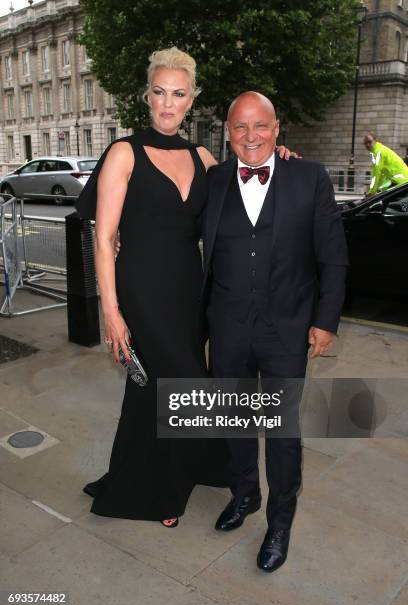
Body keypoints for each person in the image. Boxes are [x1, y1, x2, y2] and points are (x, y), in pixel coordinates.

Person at [76, 49, 292, 528]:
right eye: (159, 92)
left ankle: (146, 473)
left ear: (191, 100)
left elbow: (245, 189)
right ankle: (159, 492)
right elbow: (104, 238)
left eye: (178, 94)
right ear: (147, 96)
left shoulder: (203, 156)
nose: (168, 103)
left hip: (190, 293)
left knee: (157, 391)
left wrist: (277, 159)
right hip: (140, 290)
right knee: (178, 385)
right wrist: (109, 311)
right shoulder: (123, 152)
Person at [202, 92, 348, 572]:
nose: (250, 137)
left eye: (259, 126)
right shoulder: (215, 180)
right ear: (228, 132)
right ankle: (245, 495)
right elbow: (175, 229)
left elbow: (332, 255)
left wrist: (325, 320)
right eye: (240, 128)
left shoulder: (310, 177)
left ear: (277, 128)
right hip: (227, 327)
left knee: (282, 433)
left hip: (286, 328)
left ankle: (280, 523)